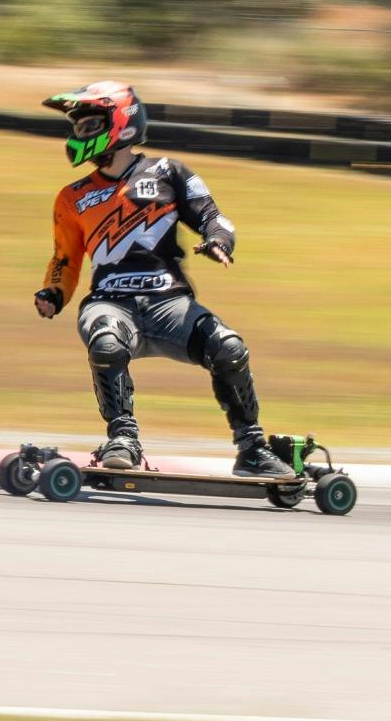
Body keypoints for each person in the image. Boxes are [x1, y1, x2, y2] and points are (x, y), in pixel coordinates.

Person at [34, 80, 294, 477]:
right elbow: (64, 258)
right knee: (106, 341)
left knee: (229, 348)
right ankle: (123, 439)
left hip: (170, 303)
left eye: (89, 126)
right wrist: (54, 291)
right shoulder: (72, 197)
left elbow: (214, 217)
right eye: (77, 128)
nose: (79, 135)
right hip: (109, 302)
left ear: (120, 124)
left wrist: (218, 240)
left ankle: (252, 449)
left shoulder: (169, 172)